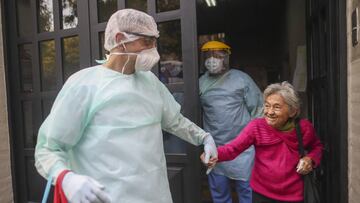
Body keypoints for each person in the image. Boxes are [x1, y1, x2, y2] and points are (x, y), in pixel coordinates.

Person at [34, 9, 217, 203]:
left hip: (155, 195)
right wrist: (66, 178)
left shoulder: (150, 82)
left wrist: (204, 138)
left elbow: (175, 121)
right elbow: (48, 148)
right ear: (120, 38)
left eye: (155, 42)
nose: (154, 49)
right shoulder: (84, 84)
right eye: (147, 42)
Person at [201, 81, 323, 203]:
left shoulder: (303, 128)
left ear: (292, 111)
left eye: (276, 107)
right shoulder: (256, 126)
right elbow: (233, 149)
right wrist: (213, 153)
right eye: (267, 105)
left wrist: (310, 159)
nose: (269, 112)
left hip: (294, 196)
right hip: (262, 194)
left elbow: (316, 147)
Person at [199, 40, 263, 203]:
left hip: (244, 147)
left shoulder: (242, 79)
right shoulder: (200, 82)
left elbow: (258, 110)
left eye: (217, 55)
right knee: (219, 192)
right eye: (208, 55)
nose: (212, 59)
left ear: (226, 57)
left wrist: (256, 139)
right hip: (216, 146)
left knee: (247, 191)